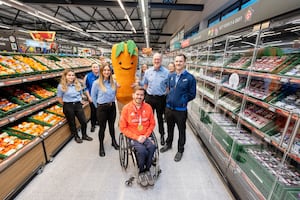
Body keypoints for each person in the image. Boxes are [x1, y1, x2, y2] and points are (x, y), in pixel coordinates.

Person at [160, 53, 196, 162]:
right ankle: (169, 144)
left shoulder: (190, 78)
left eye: (180, 61)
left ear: (184, 63)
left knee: (181, 131)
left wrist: (182, 100)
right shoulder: (171, 76)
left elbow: (192, 94)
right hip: (169, 109)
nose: (178, 63)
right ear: (174, 63)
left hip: (181, 110)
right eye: (176, 61)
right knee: (169, 128)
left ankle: (180, 150)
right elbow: (168, 88)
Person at [119, 86, 156, 187]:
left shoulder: (148, 107)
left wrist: (146, 135)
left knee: (152, 147)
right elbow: (122, 127)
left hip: (145, 135)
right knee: (142, 150)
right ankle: (141, 171)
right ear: (133, 95)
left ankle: (147, 169)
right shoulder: (126, 108)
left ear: (144, 96)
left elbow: (152, 124)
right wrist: (136, 137)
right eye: (137, 94)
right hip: (133, 136)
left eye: (141, 95)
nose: (139, 97)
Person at [57, 69, 93, 143]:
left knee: (83, 121)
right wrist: (67, 104)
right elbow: (59, 98)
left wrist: (80, 100)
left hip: (78, 105)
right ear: (65, 76)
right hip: (68, 106)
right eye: (69, 75)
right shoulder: (61, 86)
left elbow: (80, 94)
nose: (71, 77)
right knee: (72, 123)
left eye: (72, 75)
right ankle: (76, 136)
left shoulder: (77, 84)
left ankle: (84, 135)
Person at [91, 63, 119, 157]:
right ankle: (101, 146)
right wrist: (98, 107)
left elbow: (115, 93)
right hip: (101, 108)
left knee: (112, 126)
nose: (107, 72)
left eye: (108, 70)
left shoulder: (113, 82)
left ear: (111, 71)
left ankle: (113, 141)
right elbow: (93, 97)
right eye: (105, 70)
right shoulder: (96, 83)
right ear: (101, 71)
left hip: (112, 107)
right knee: (102, 128)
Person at [143, 53, 169, 145]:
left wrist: (164, 94)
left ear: (161, 60)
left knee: (160, 118)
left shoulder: (166, 72)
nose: (156, 61)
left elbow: (168, 86)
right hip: (149, 98)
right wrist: (145, 95)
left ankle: (162, 135)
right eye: (155, 59)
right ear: (152, 60)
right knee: (149, 118)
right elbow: (145, 84)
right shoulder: (148, 72)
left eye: (158, 59)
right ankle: (148, 134)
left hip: (160, 99)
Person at [83, 63, 99, 132]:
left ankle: (98, 121)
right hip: (92, 97)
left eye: (97, 67)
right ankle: (93, 125)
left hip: (100, 97)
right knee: (93, 111)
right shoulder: (88, 76)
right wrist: (89, 97)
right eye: (94, 67)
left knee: (99, 110)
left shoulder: (102, 75)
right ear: (91, 68)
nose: (95, 68)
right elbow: (85, 87)